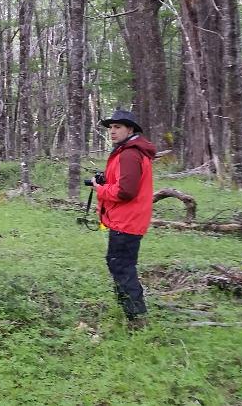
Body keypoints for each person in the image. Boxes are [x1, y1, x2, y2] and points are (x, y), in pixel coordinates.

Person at [93, 109, 156, 330]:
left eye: (117, 127)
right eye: (111, 127)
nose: (112, 131)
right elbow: (124, 184)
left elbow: (125, 192)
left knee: (122, 266)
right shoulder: (129, 151)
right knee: (118, 263)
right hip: (126, 220)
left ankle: (137, 320)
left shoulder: (129, 153)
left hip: (127, 222)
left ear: (130, 129)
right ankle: (129, 312)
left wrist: (100, 189)